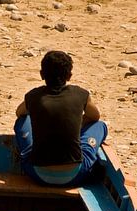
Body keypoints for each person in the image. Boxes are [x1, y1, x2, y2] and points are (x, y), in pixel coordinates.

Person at [14, 50, 108, 186]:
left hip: (38, 174)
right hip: (75, 175)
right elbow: (95, 117)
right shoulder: (81, 94)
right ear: (69, 76)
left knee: (22, 121)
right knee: (100, 126)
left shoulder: (33, 96)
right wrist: (78, 123)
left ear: (42, 74)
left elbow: (19, 113)